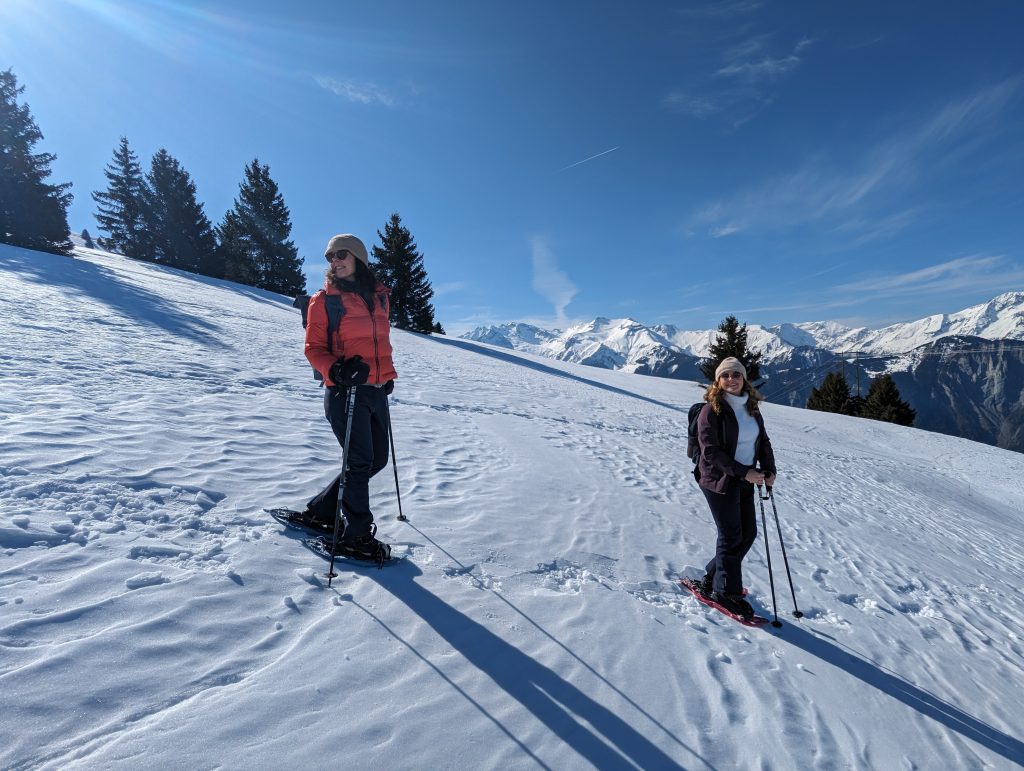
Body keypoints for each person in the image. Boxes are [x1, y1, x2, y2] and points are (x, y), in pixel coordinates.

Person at [300, 233, 398, 563]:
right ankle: (354, 535)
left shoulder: (379, 298)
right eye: (330, 257)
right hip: (344, 392)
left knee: (377, 460)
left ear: (358, 257)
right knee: (358, 462)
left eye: (341, 254)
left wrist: (385, 376)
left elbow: (379, 342)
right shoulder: (325, 300)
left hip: (374, 390)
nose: (334, 261)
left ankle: (321, 512)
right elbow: (313, 349)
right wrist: (337, 372)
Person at [694, 357, 777, 619]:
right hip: (718, 481)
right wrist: (745, 472)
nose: (731, 379)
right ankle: (725, 592)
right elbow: (711, 453)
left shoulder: (752, 408)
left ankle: (713, 576)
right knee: (731, 536)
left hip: (745, 478)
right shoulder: (711, 410)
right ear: (718, 381)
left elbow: (763, 441)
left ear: (744, 379)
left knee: (748, 533)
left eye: (736, 375)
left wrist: (769, 469)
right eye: (725, 375)